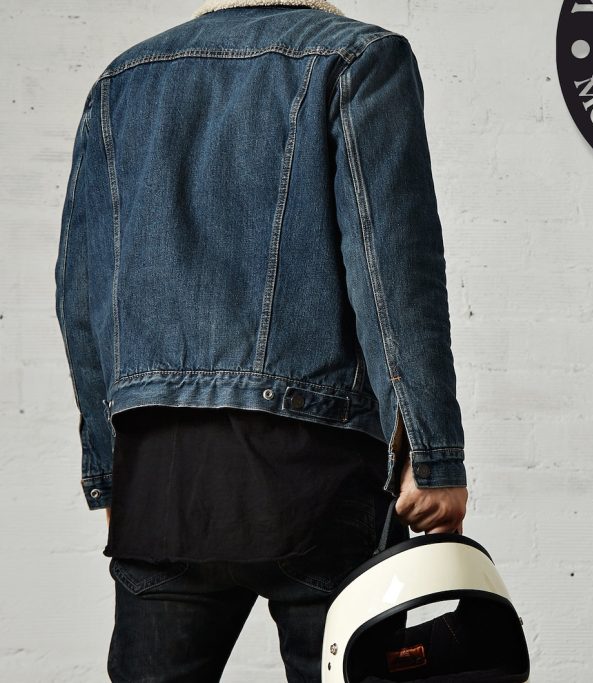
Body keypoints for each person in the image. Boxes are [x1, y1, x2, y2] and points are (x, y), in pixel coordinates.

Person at [53, 1, 468, 679]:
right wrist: (432, 453)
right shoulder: (358, 59)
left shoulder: (121, 81)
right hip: (316, 474)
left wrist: (110, 476)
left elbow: (82, 293)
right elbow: (391, 268)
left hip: (161, 483)